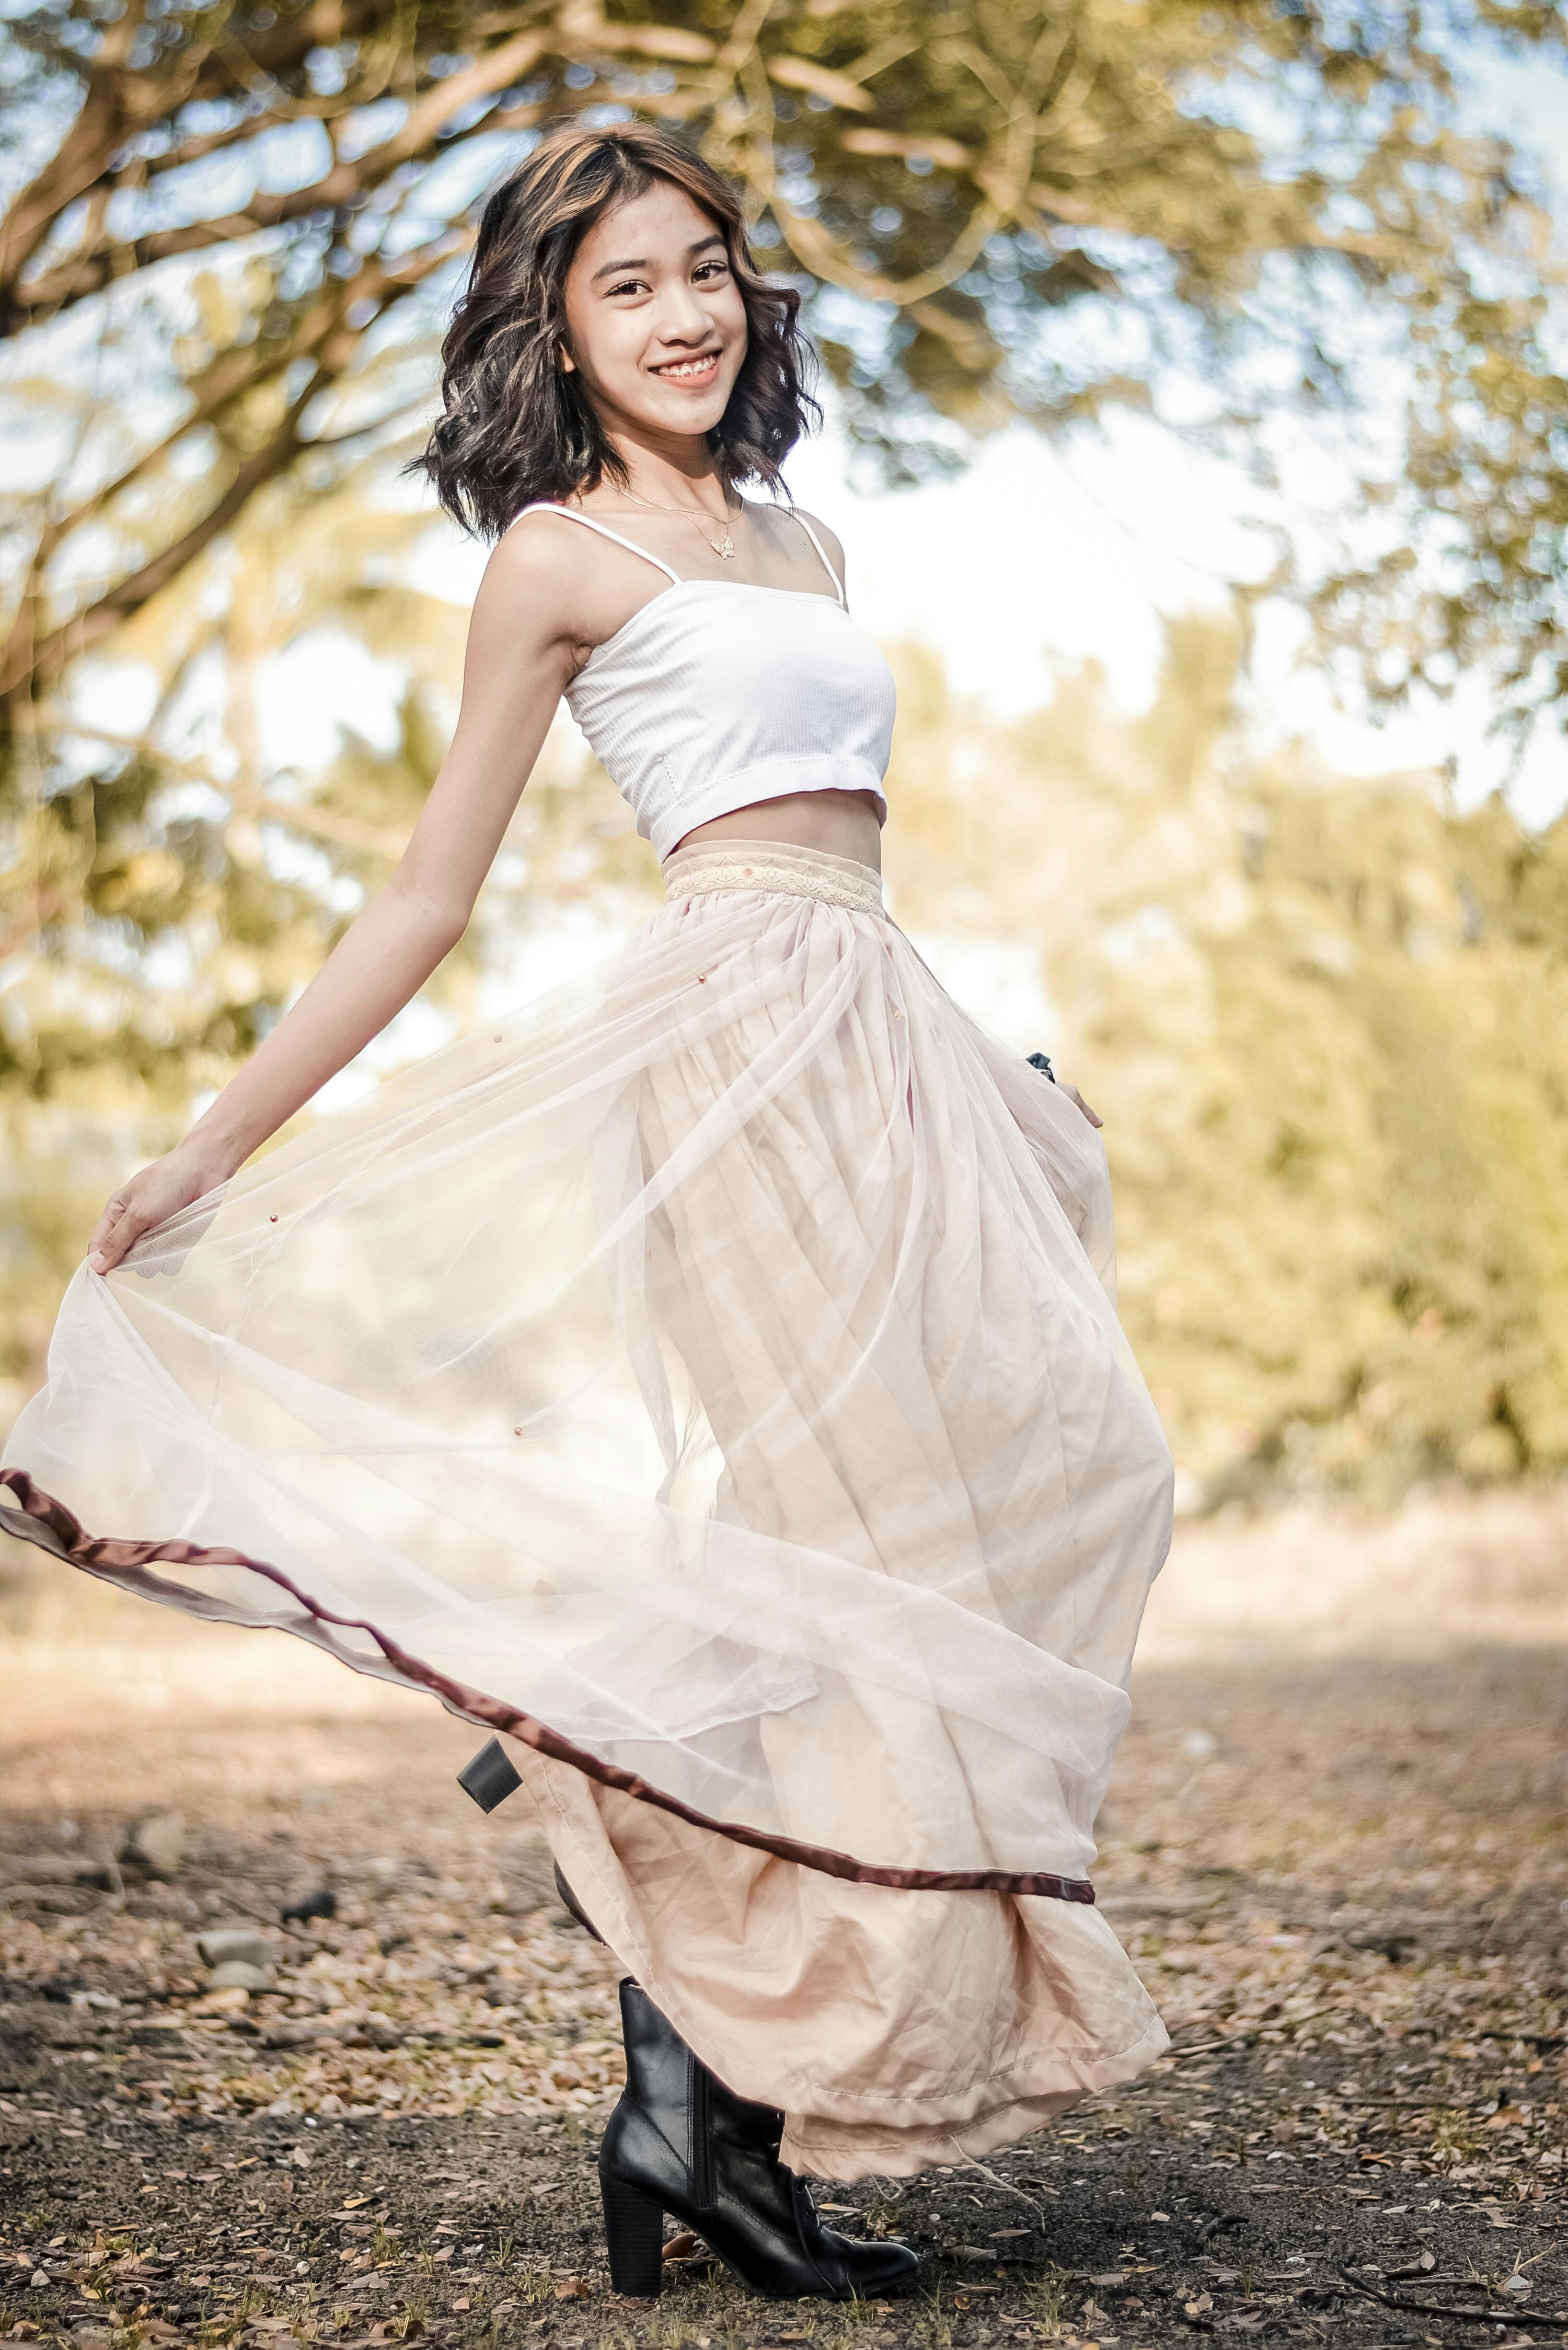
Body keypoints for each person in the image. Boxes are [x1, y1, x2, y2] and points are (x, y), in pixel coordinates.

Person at [0, 122, 1174, 2301]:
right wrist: (214, 1139)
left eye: (711, 266)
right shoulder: (552, 557)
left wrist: (988, 1072)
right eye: (631, 281)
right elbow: (429, 897)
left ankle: (679, 2064)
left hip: (882, 1038)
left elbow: (845, 848)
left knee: (1059, 1471)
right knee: (849, 1558)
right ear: (556, 317)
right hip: (728, 1065)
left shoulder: (804, 547)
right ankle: (703, 2074)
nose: (687, 310)